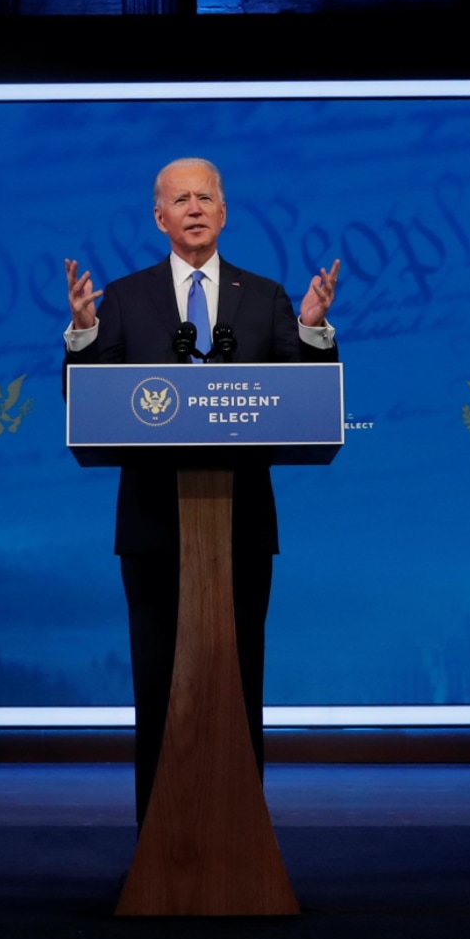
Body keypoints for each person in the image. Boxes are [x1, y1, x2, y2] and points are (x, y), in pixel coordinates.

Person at [64, 157, 340, 826]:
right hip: (154, 528)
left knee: (239, 682)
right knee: (158, 686)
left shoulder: (266, 296)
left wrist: (310, 329)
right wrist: (82, 336)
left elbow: (305, 398)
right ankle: (159, 842)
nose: (194, 208)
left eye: (205, 198)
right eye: (180, 199)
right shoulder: (125, 299)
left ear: (224, 212)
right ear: (160, 218)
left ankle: (239, 835)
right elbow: (87, 401)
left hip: (240, 525)